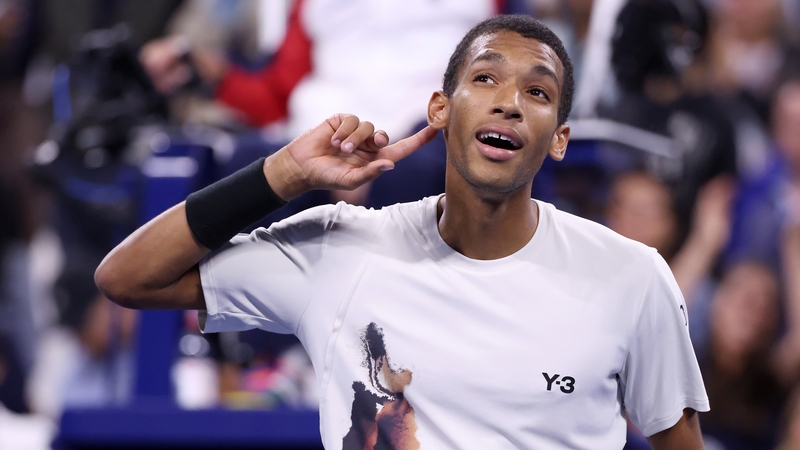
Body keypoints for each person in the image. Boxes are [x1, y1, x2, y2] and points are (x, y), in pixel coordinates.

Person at [96, 15, 708, 449]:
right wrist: (281, 174)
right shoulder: (339, 249)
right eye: (486, 78)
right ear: (439, 108)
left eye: (538, 91)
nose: (509, 103)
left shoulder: (632, 277)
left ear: (560, 139)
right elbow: (127, 277)